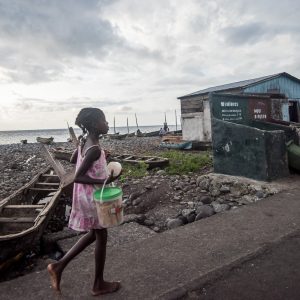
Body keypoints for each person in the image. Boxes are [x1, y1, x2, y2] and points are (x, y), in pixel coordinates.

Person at [47, 108, 121, 296]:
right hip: (92, 196)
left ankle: (59, 266)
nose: (108, 123)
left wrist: (100, 158)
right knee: (101, 235)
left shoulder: (86, 142)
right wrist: (104, 180)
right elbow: (78, 176)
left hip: (85, 195)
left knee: (94, 234)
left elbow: (74, 159)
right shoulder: (95, 149)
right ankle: (98, 284)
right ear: (96, 124)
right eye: (104, 120)